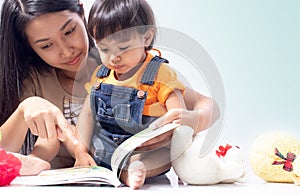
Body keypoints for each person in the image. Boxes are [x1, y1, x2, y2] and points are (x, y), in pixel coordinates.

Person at [0, 0, 219, 176]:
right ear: (29, 47)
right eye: (46, 45)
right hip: (66, 181)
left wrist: (189, 120)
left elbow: (208, 105)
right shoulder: (35, 81)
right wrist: (24, 110)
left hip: (128, 169)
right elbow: (30, 144)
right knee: (45, 144)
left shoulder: (123, 65)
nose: (67, 51)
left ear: (82, 15)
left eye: (69, 31)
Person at [67, 0, 218, 189]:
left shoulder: (160, 74)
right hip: (107, 148)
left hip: (148, 148)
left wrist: (175, 132)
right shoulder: (101, 75)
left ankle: (133, 171)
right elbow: (88, 114)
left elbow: (177, 117)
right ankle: (113, 170)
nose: (114, 57)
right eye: (104, 49)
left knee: (163, 156)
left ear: (146, 37)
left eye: (123, 48)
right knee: (97, 149)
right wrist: (81, 151)